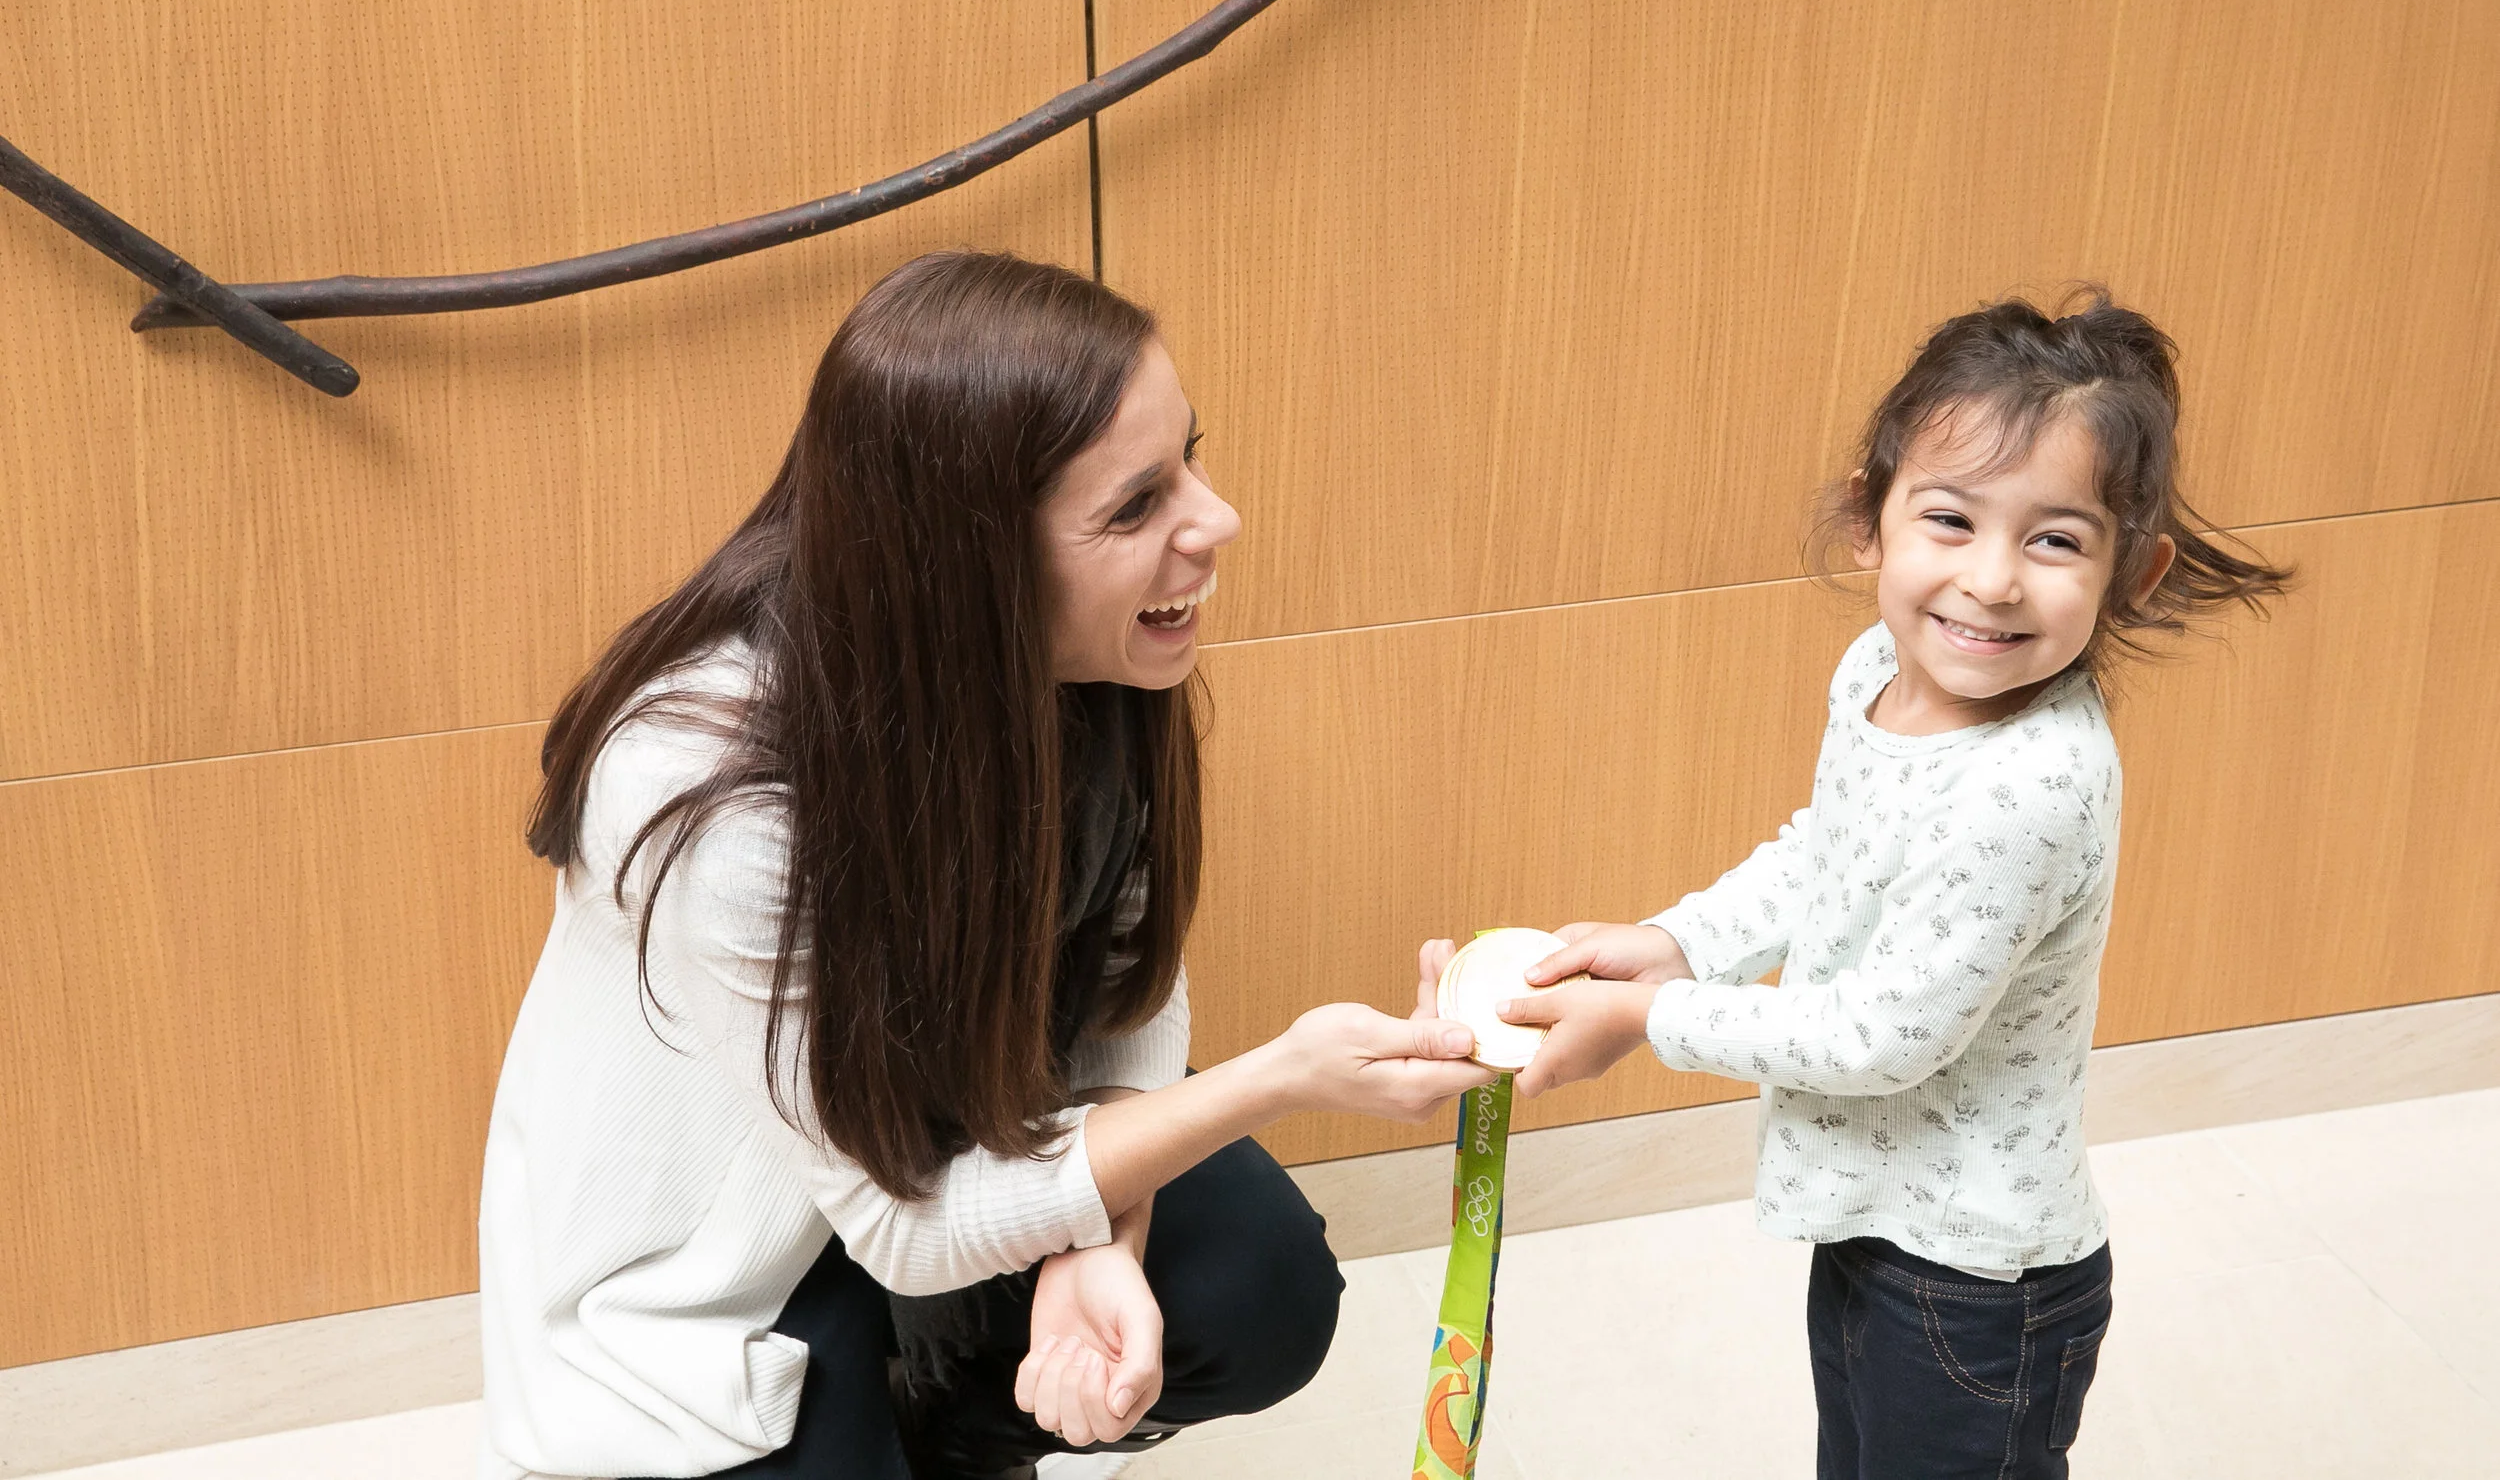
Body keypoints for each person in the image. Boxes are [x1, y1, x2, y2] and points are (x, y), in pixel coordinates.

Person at [478, 251, 1493, 1480]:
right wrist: (1281, 1074)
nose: (1213, 521)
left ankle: (951, 1427)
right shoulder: (709, 787)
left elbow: (1128, 988)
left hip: (939, 1168)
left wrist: (1099, 1241)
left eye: (1191, 458)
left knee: (1257, 1284)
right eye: (1134, 507)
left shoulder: (1094, 661)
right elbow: (907, 1227)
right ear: (970, 563)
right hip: (739, 1284)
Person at [1442, 292, 2291, 1479]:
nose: (1990, 580)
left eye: (2053, 539)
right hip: (1870, 1212)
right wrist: (1680, 941)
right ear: (1869, 519)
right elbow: (1824, 847)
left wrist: (1647, 1014)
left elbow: (1881, 1034)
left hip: (1978, 1281)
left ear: (2132, 569)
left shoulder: (2029, 784)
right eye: (1950, 519)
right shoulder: (1879, 669)